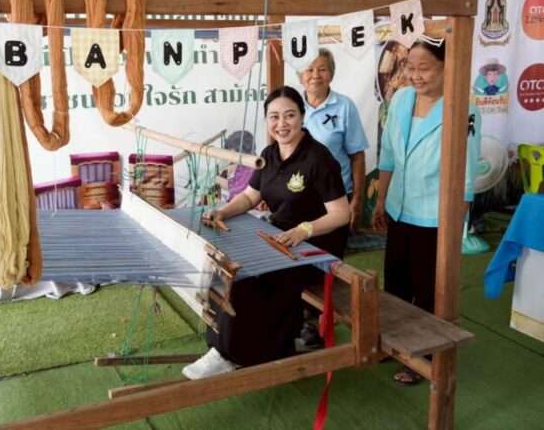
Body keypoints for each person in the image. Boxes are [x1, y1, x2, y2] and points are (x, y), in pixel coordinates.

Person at [182, 86, 350, 379]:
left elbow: (341, 213)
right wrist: (223, 212)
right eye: (274, 117)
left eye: (289, 115)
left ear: (302, 117)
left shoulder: (318, 159)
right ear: (266, 120)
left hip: (316, 248)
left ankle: (233, 353)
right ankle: (227, 348)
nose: (281, 124)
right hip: (281, 239)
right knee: (222, 265)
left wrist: (304, 230)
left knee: (246, 279)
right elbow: (250, 196)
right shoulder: (269, 155)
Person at [371, 39, 481, 385]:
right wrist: (381, 199)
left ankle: (424, 357)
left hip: (435, 216)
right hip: (399, 208)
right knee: (396, 284)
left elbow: (466, 172)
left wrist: (457, 224)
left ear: (447, 67)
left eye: (425, 68)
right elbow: (388, 154)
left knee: (428, 290)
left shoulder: (463, 109)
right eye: (411, 68)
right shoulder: (401, 99)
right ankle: (394, 344)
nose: (416, 76)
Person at [300, 48, 369, 232]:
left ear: (331, 74)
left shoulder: (345, 106)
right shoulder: (292, 105)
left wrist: (357, 200)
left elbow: (357, 156)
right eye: (309, 69)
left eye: (322, 69)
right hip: (298, 195)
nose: (315, 75)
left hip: (337, 197)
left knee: (333, 249)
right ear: (300, 75)